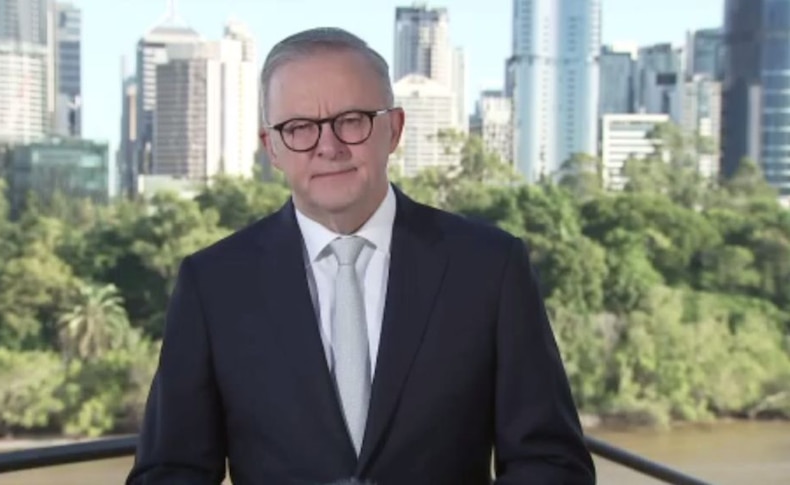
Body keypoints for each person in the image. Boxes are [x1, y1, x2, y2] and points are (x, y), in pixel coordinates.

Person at [126, 27, 596, 485]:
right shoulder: (214, 285)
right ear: (272, 147)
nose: (328, 147)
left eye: (351, 120)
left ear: (393, 129)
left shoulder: (489, 268)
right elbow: (170, 471)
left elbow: (553, 464)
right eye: (299, 127)